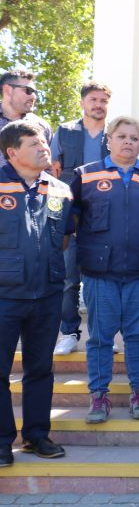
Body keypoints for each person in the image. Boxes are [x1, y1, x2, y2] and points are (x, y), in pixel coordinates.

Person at [71, 116, 139, 423]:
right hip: (100, 273)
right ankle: (98, 396)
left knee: (138, 334)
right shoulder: (85, 176)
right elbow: (68, 223)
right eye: (121, 136)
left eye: (134, 138)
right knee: (100, 337)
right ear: (108, 140)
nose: (128, 142)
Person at [0, 120, 72, 466]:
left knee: (40, 368)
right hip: (4, 295)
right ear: (12, 152)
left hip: (47, 293)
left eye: (44, 141)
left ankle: (37, 435)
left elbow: (65, 235)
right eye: (34, 143)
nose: (44, 147)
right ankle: (2, 442)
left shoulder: (59, 189)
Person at [51, 80, 112, 356]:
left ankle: (103, 335)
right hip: (69, 215)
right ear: (82, 103)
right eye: (93, 100)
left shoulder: (114, 133)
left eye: (103, 101)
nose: (98, 105)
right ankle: (69, 332)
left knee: (103, 280)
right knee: (68, 279)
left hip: (104, 217)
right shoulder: (64, 132)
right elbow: (53, 174)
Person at [0, 70, 53, 168]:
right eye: (28, 90)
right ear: (8, 90)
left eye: (35, 92)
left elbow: (48, 168)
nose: (34, 96)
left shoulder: (41, 126)